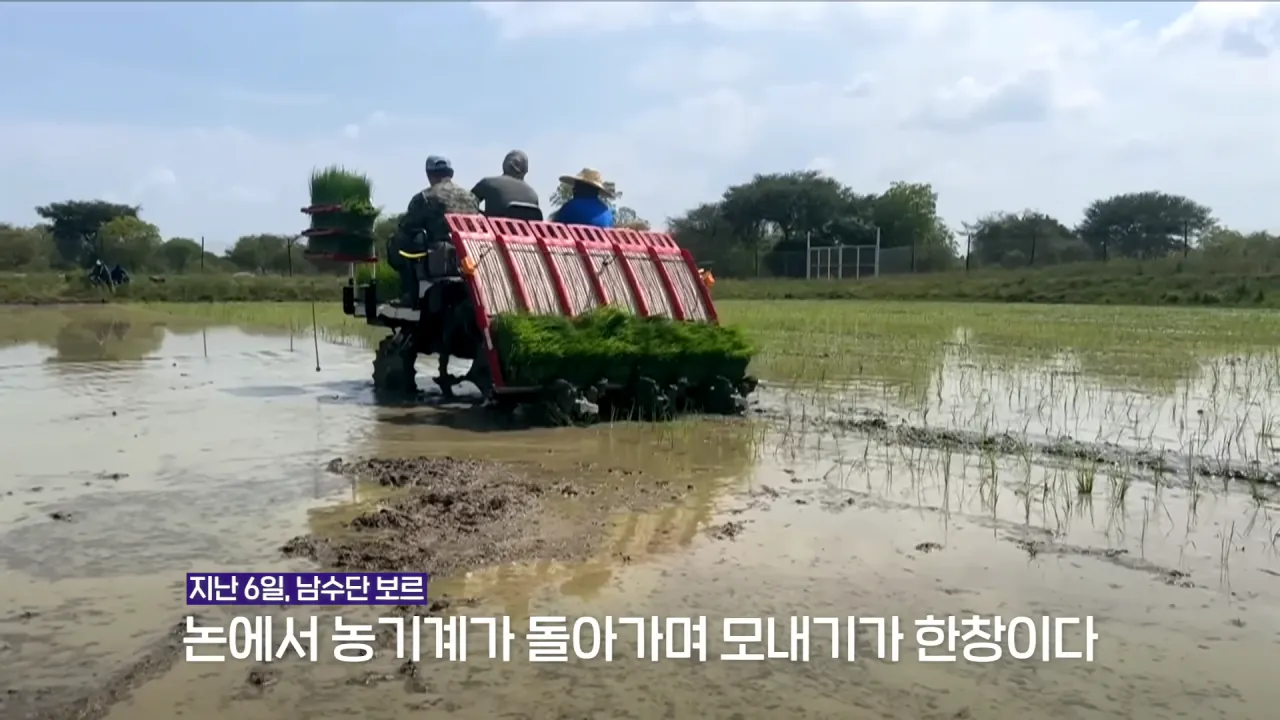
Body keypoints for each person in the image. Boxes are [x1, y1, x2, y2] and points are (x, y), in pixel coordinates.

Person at [387, 155, 480, 305]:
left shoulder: (425, 197)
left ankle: (410, 294)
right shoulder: (471, 197)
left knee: (397, 242)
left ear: (429, 174)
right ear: (451, 173)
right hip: (469, 255)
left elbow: (406, 227)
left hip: (439, 256)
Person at [471, 150, 541, 219]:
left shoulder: (488, 183)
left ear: (504, 165)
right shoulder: (533, 195)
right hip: (525, 230)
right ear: (525, 171)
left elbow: (465, 202)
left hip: (494, 229)